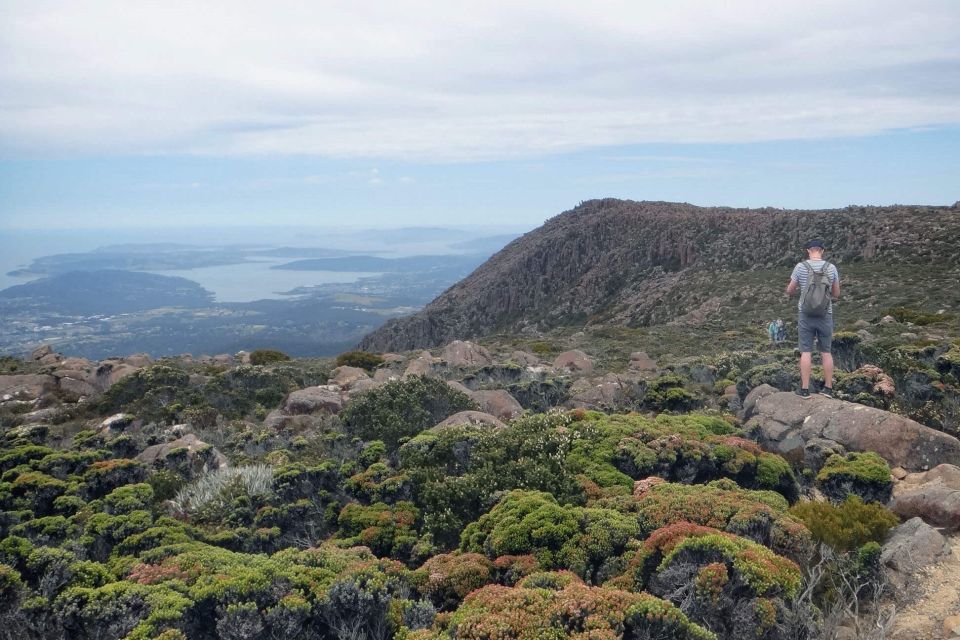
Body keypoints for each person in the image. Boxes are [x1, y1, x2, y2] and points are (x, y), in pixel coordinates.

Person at [785, 239, 840, 398]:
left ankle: (804, 389)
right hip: (825, 314)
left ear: (808, 250)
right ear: (822, 251)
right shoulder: (831, 268)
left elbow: (790, 290)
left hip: (805, 314)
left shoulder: (800, 267)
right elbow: (836, 294)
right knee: (826, 352)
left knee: (806, 351)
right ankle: (828, 388)